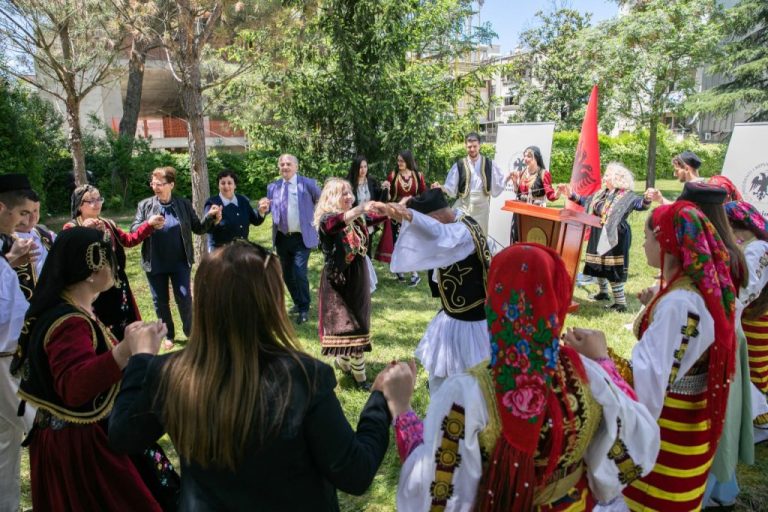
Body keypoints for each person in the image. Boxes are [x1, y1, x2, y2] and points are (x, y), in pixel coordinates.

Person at [107, 240, 404, 510]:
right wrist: (381, 400)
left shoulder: (170, 372)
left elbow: (123, 434)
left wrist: (142, 360)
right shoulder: (304, 377)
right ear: (270, 303)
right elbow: (354, 472)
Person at [388, 243, 660, 511]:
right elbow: (636, 445)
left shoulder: (466, 394)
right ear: (560, 302)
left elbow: (435, 496)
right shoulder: (588, 375)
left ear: (492, 303)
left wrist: (402, 412)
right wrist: (603, 363)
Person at [589, 201, 736, 511]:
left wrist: (600, 356)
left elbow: (647, 388)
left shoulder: (680, 304)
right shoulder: (695, 290)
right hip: (689, 424)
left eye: (648, 236)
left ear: (667, 242)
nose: (642, 243)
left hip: (669, 436)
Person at [13, 226, 169, 511]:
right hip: (82, 449)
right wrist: (125, 351)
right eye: (108, 259)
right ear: (91, 269)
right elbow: (74, 387)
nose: (114, 266)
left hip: (81, 439)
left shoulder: (74, 310)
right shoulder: (69, 322)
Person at [676, 183, 752, 510]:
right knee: (725, 414)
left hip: (711, 343)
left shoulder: (710, 250)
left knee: (712, 417)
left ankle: (709, 489)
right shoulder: (732, 249)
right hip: (727, 339)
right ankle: (724, 486)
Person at [388, 189, 490, 393]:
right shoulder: (454, 222)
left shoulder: (462, 232)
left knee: (471, 382)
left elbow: (441, 234)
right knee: (441, 381)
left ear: (435, 218)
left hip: (472, 323)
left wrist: (410, 215)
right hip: (452, 318)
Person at [313, 179, 390, 390]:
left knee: (360, 321)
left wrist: (397, 207)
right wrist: (359, 209)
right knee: (348, 326)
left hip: (358, 277)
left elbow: (375, 218)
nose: (349, 196)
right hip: (339, 282)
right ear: (331, 197)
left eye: (349, 193)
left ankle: (344, 363)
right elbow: (336, 223)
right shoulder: (326, 220)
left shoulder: (357, 219)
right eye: (343, 194)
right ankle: (360, 377)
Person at [132, 166, 221, 342]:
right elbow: (134, 230)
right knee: (160, 301)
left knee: (184, 297)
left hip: (180, 261)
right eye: (153, 183)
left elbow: (198, 227)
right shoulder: (145, 205)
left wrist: (210, 217)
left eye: (160, 184)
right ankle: (168, 335)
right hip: (155, 262)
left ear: (171, 185)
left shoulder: (183, 204)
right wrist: (148, 224)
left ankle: (191, 333)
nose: (156, 187)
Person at [66, 184, 165, 342]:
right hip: (92, 290)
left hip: (117, 285)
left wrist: (149, 224)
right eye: (90, 200)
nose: (96, 203)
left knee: (125, 325)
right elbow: (69, 258)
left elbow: (129, 240)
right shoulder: (71, 228)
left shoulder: (108, 224)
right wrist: (83, 233)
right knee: (102, 331)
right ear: (79, 205)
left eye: (99, 199)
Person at [558, 163, 652, 312]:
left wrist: (647, 199)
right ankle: (603, 293)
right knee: (597, 265)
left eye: (607, 175)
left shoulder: (627, 195)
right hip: (598, 231)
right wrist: (570, 194)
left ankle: (620, 303)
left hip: (615, 235)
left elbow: (641, 205)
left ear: (617, 178)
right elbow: (585, 201)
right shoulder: (601, 193)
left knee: (612, 267)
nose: (603, 178)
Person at [0, 173, 37, 512]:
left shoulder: (4, 242)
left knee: (5, 442)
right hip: (6, 360)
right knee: (42, 427)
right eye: (19, 213)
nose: (22, 221)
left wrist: (11, 261)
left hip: (10, 353)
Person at [258, 154, 321, 324]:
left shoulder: (308, 184)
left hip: (302, 238)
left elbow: (321, 201)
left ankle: (304, 308)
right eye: (282, 164)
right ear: (279, 167)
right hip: (282, 238)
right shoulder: (273, 187)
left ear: (296, 167)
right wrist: (263, 208)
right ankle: (297, 301)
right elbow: (269, 209)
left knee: (300, 272)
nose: (285, 167)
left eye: (289, 164)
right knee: (286, 275)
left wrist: (315, 218)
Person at [726, 200, 768, 446]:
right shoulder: (752, 245)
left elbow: (747, 289)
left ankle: (761, 421)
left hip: (756, 319)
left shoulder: (759, 248)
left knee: (754, 366)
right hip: (750, 315)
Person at [432, 132, 508, 235]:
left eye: (475, 146)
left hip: (482, 209)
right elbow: (451, 186)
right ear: (465, 146)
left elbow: (497, 184)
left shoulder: (489, 164)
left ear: (479, 145)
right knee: (461, 236)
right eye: (469, 147)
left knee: (480, 237)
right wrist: (441, 187)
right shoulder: (460, 164)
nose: (472, 149)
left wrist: (508, 178)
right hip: (465, 207)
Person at [376, 150, 426, 286]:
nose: (399, 163)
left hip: (411, 213)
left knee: (411, 242)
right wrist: (385, 189)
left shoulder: (418, 176)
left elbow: (424, 195)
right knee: (399, 242)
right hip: (396, 214)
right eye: (398, 161)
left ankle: (414, 273)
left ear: (408, 161)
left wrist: (410, 199)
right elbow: (388, 197)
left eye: (402, 161)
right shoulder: (393, 176)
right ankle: (401, 270)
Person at [647, 150, 743, 204]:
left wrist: (660, 199)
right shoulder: (702, 186)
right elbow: (677, 206)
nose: (675, 174)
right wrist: (660, 199)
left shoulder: (693, 190)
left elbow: (676, 210)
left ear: (687, 169)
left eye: (677, 170)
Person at [204, 169, 265, 251]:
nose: (226, 186)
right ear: (218, 185)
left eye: (229, 183)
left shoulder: (243, 200)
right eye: (222, 183)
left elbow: (255, 220)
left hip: (243, 251)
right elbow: (207, 229)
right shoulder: (212, 203)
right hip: (220, 253)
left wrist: (261, 211)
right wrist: (214, 221)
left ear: (235, 185)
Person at [13, 189, 55, 300]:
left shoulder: (44, 234)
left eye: (36, 211)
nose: (32, 217)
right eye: (25, 213)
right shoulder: (5, 240)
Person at [346, 155, 384, 255]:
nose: (363, 170)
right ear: (355, 168)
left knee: (367, 252)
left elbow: (379, 199)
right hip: (354, 224)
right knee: (355, 254)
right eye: (360, 167)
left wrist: (384, 189)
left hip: (368, 223)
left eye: (365, 167)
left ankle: (367, 270)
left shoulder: (371, 182)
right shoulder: (349, 184)